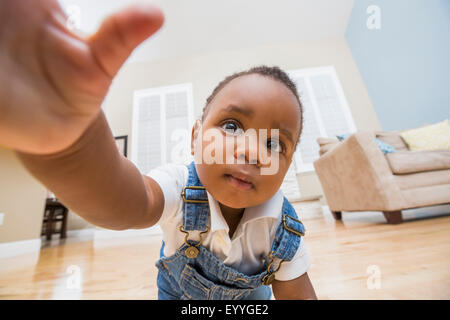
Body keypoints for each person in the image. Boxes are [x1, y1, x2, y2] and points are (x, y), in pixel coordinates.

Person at [0, 0, 317, 299]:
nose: (251, 152)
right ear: (195, 138)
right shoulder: (180, 186)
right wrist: (70, 146)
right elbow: (130, 202)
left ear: (287, 166)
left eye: (273, 143)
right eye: (232, 126)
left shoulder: (283, 229)